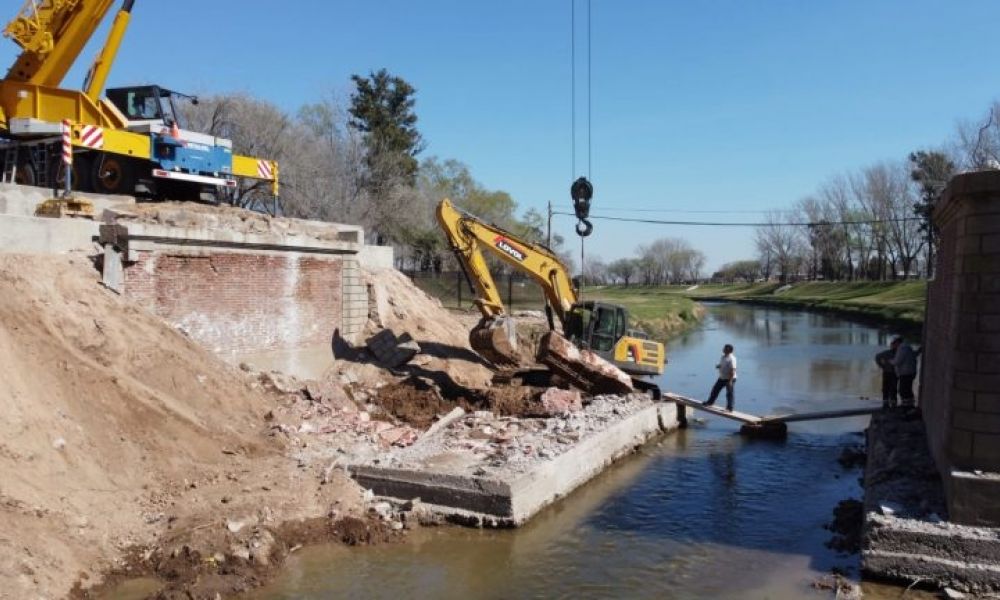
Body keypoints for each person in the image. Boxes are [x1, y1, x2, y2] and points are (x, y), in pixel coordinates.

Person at [703, 344, 737, 411]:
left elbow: (732, 370)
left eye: (724, 348)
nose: (723, 349)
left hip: (729, 378)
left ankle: (729, 408)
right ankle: (710, 402)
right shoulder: (723, 357)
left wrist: (730, 381)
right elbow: (722, 364)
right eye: (724, 348)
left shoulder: (732, 359)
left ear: (729, 350)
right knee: (715, 390)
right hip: (722, 377)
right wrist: (719, 366)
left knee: (729, 393)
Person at [892, 336, 919, 408]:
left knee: (903, 390)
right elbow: (914, 355)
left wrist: (890, 361)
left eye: (894, 343)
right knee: (907, 389)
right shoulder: (907, 347)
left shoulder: (902, 349)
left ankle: (906, 406)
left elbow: (897, 361)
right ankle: (909, 405)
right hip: (910, 372)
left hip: (906, 373)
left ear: (897, 342)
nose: (893, 345)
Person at [875, 341, 899, 409]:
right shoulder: (886, 352)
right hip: (886, 372)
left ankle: (893, 404)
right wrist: (881, 365)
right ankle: (885, 404)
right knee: (885, 388)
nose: (894, 346)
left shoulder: (900, 353)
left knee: (893, 388)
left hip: (895, 373)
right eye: (893, 345)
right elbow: (877, 356)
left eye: (896, 345)